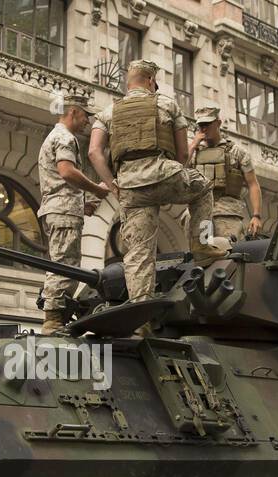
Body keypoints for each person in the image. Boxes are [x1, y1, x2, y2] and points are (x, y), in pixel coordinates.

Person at [88, 59, 221, 335]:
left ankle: (141, 321)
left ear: (129, 82)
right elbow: (183, 154)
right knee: (204, 187)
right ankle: (202, 243)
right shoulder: (166, 104)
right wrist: (174, 176)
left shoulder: (108, 111)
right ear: (151, 81)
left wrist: (114, 185)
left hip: (130, 188)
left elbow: (94, 153)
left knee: (138, 255)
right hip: (163, 173)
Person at [36, 93, 111, 334]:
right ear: (73, 112)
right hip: (63, 211)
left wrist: (83, 204)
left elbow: (61, 180)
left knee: (64, 262)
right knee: (65, 265)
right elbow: (67, 172)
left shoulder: (56, 136)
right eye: (86, 116)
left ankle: (56, 317)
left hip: (63, 209)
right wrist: (96, 189)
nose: (88, 122)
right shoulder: (64, 138)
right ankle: (53, 320)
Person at [187, 106, 264, 241]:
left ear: (218, 123)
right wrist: (193, 145)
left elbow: (253, 184)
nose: (204, 128)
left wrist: (256, 216)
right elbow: (179, 168)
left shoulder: (237, 152)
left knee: (227, 254)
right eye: (201, 125)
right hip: (200, 213)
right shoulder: (194, 153)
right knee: (202, 255)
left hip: (227, 213)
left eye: (207, 124)